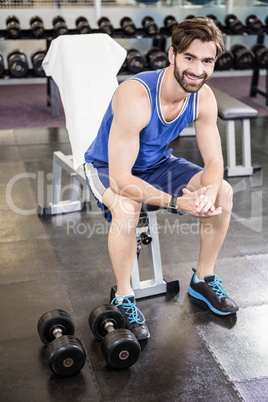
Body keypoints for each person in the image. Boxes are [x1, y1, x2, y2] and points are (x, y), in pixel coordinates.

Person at [84, 16, 239, 341]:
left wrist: (207, 194)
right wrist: (175, 202)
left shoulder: (204, 97)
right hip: (106, 167)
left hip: (157, 164)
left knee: (223, 192)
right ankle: (124, 296)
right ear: (172, 55)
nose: (198, 69)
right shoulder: (136, 96)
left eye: (207, 61)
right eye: (189, 58)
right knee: (128, 207)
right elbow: (120, 178)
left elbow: (214, 162)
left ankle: (203, 279)